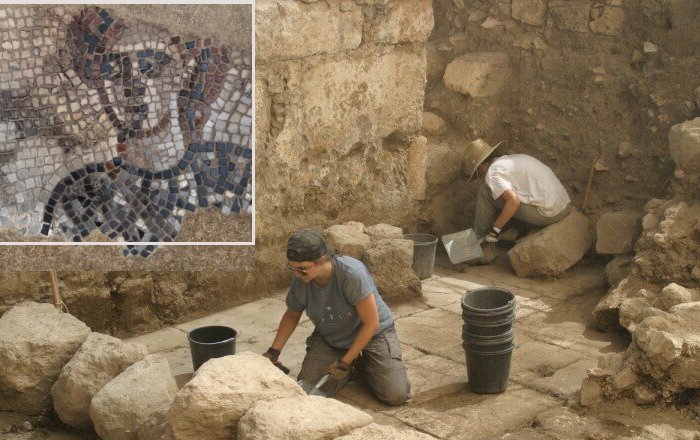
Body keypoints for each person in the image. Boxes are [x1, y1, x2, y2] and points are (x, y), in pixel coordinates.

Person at [263, 228, 412, 406]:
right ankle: (358, 364)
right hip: (333, 334)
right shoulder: (300, 281)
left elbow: (371, 323)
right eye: (293, 268)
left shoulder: (351, 274)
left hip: (373, 333)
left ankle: (364, 362)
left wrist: (344, 362)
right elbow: (292, 315)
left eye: (303, 269)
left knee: (396, 395)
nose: (296, 274)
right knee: (309, 393)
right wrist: (274, 351)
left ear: (322, 260)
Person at [465, 139, 572, 244]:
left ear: (481, 165)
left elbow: (513, 201)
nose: (481, 176)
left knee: (486, 192)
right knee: (506, 193)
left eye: (478, 171)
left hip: (551, 213)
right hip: (565, 205)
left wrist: (495, 231)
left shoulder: (493, 173)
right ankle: (517, 229)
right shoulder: (512, 159)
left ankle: (478, 238)